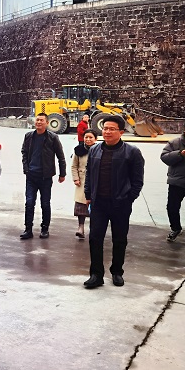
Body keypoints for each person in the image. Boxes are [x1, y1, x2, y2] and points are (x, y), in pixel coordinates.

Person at [83, 115, 144, 289]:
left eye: (112, 129)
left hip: (120, 203)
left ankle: (117, 272)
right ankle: (96, 274)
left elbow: (137, 180)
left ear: (121, 132)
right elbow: (89, 174)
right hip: (98, 203)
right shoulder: (94, 150)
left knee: (119, 239)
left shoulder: (132, 152)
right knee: (95, 238)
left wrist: (129, 198)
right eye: (105, 128)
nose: (107, 132)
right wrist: (88, 194)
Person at [20, 112, 66, 239]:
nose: (39, 122)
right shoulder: (29, 136)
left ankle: (45, 229)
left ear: (47, 123)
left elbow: (60, 156)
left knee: (45, 203)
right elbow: (24, 152)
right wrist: (26, 169)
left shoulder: (53, 137)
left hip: (46, 177)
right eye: (37, 120)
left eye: (41, 120)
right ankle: (28, 229)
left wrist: (62, 173)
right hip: (31, 176)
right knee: (29, 203)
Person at [160, 118, 185, 249]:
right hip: (176, 182)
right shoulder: (174, 142)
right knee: (172, 208)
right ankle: (175, 228)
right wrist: (179, 154)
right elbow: (164, 157)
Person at [71, 129, 98, 239]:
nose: (88, 139)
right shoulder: (79, 150)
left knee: (96, 207)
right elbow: (74, 166)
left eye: (91, 137)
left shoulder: (100, 150)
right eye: (86, 137)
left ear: (95, 139)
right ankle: (81, 227)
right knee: (81, 206)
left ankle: (95, 230)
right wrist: (76, 179)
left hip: (96, 181)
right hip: (82, 181)